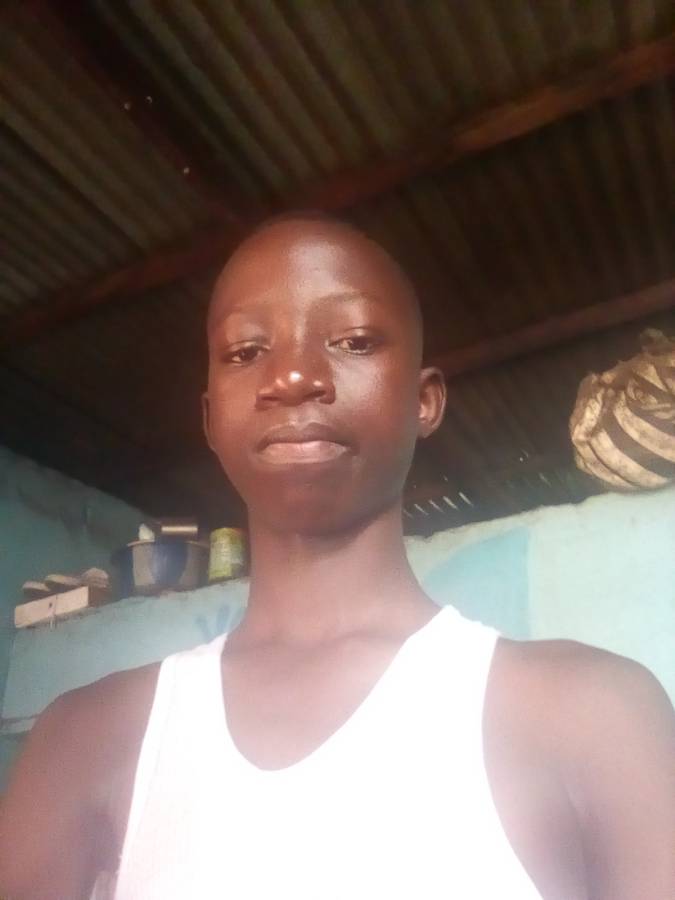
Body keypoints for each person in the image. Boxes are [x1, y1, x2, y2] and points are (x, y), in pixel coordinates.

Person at [1, 214, 674, 900]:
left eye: (353, 341)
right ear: (210, 418)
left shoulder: (594, 716)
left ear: (423, 401)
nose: (292, 376)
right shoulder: (87, 740)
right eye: (245, 351)